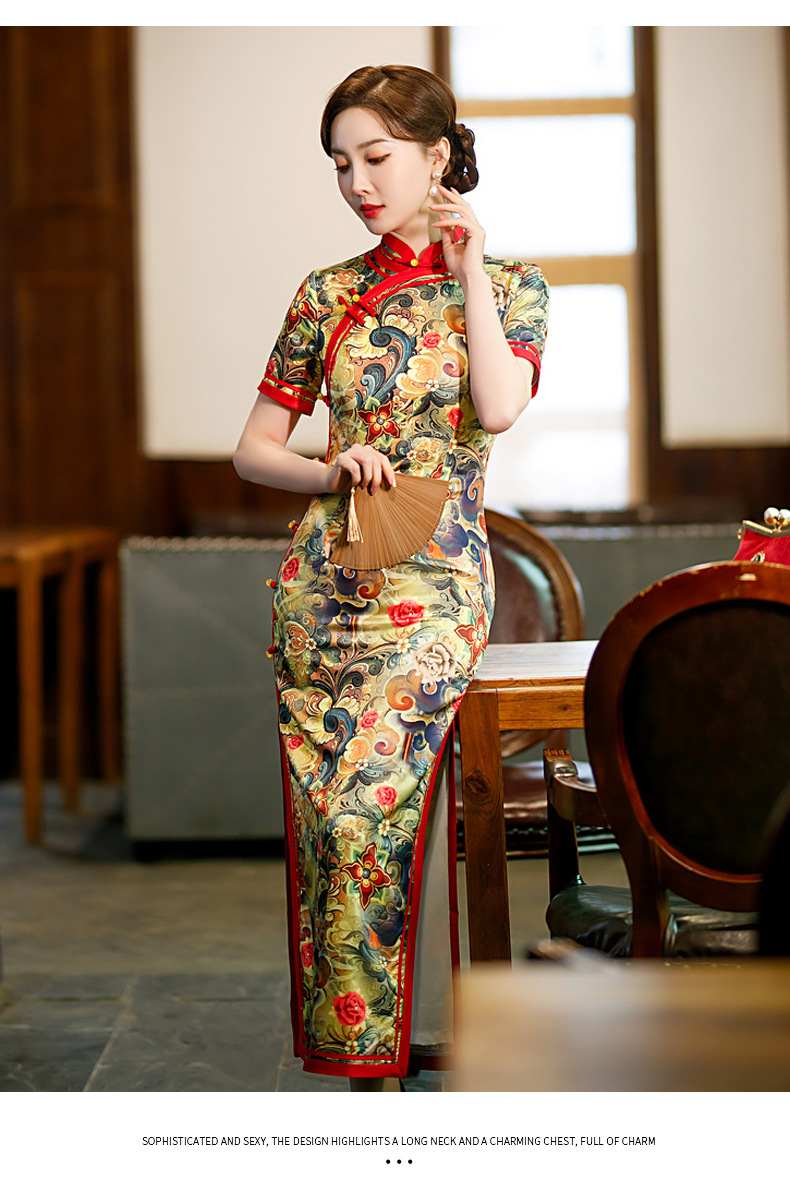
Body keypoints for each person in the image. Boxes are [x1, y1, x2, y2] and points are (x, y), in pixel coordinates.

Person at [234, 64, 548, 1089]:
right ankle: (361, 1065)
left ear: (437, 154)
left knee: (368, 808)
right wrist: (332, 467)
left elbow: (496, 408)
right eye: (340, 164)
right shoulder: (325, 292)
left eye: (375, 157)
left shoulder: (513, 287)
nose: (357, 183)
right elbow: (253, 452)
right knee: (330, 825)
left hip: (436, 589)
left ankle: (385, 1057)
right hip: (323, 588)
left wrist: (469, 266)